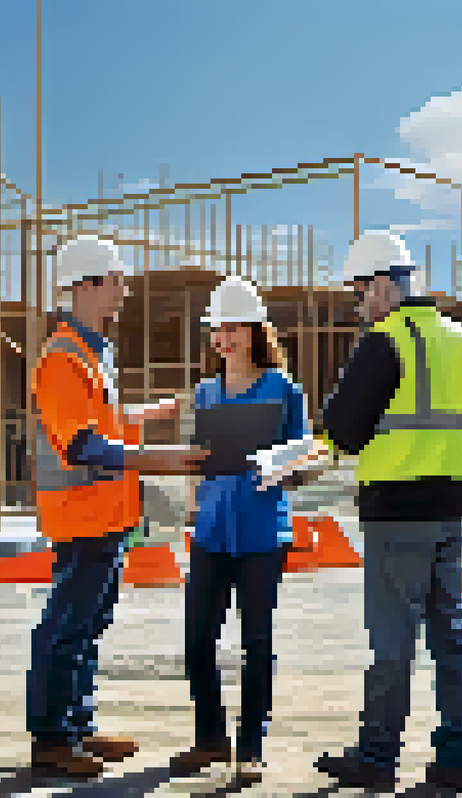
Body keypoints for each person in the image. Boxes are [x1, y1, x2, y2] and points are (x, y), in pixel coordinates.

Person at [311, 231, 462, 793]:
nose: (360, 306)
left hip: (395, 514)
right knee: (450, 637)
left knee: (391, 644)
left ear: (386, 286)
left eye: (362, 293)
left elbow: (343, 428)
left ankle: (378, 756)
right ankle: (458, 757)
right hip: (448, 512)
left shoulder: (385, 342)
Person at [27, 235, 208, 779]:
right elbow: (83, 445)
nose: (123, 292)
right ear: (83, 286)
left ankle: (78, 725)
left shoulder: (93, 353)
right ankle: (52, 737)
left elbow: (104, 423)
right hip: (81, 516)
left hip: (107, 515)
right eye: (115, 282)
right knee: (66, 625)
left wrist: (150, 415)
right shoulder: (61, 359)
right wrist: (163, 459)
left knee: (90, 622)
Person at [167, 276, 316, 788]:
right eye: (218, 328)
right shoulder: (205, 392)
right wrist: (190, 510)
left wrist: (280, 463)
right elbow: (197, 461)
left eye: (234, 327)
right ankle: (210, 737)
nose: (225, 337)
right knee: (197, 640)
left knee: (257, 641)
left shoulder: (283, 391)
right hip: (210, 532)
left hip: (261, 535)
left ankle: (249, 748)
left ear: (256, 331)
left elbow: (308, 456)